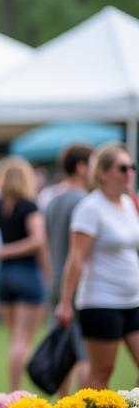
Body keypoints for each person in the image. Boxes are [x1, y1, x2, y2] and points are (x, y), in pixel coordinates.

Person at [56, 143, 139, 388]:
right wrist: (65, 301)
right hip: (101, 300)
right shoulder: (90, 208)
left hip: (132, 299)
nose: (129, 173)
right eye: (122, 168)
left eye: (132, 167)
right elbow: (77, 257)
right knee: (102, 373)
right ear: (103, 173)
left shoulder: (128, 204)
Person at [0, 156, 50, 390]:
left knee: (15, 340)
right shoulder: (29, 205)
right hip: (27, 273)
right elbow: (38, 241)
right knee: (23, 341)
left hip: (4, 278)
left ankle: (14, 388)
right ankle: (18, 392)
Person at [44, 144, 93, 389]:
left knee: (62, 351)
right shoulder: (86, 202)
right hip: (79, 283)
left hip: (56, 279)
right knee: (85, 354)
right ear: (82, 167)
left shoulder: (53, 201)